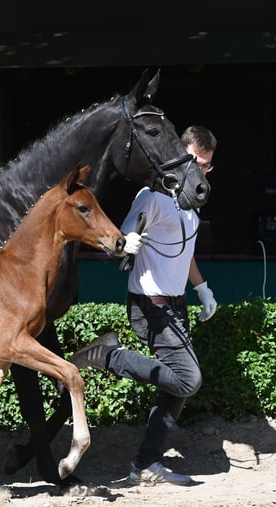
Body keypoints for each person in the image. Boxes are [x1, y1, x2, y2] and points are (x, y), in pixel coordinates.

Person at [70, 125, 218, 486]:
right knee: (189, 380)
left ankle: (145, 464)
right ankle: (106, 356)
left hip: (177, 306)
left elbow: (186, 254)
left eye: (208, 166)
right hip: (150, 306)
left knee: (175, 390)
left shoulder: (190, 206)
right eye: (198, 162)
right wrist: (129, 240)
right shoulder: (152, 198)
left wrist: (202, 288)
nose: (202, 171)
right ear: (181, 156)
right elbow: (120, 238)